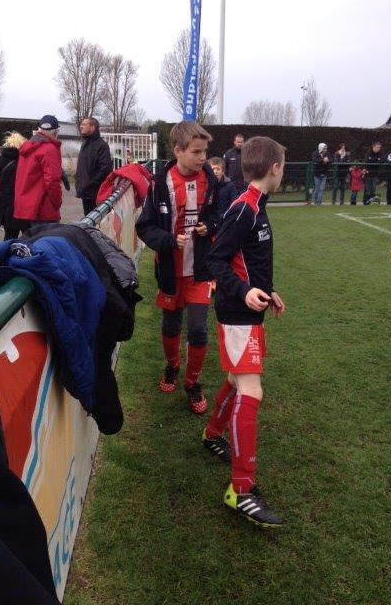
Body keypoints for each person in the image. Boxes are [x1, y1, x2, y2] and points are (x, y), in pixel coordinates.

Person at [204, 136, 286, 528]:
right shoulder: (244, 208)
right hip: (237, 313)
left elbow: (249, 259)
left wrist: (267, 291)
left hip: (247, 308)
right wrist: (244, 292)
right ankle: (240, 489)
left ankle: (212, 433)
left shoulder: (257, 205)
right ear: (275, 168)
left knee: (238, 380)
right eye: (283, 166)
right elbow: (216, 260)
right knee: (251, 390)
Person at [135, 121, 219, 414]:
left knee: (198, 329)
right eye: (196, 152)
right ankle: (172, 366)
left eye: (204, 151)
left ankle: (192, 383)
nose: (202, 158)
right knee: (171, 324)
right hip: (171, 271)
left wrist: (211, 225)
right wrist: (170, 240)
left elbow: (222, 213)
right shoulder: (160, 184)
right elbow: (144, 226)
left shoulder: (211, 180)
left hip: (201, 271)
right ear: (178, 151)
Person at [14, 115, 63, 227]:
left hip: (27, 207)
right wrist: (57, 202)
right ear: (56, 131)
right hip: (44, 208)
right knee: (48, 237)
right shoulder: (49, 149)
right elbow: (52, 182)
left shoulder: (27, 148)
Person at [0, 132, 30, 240]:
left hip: (4, 202)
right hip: (20, 202)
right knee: (29, 236)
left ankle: (6, 250)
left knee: (9, 236)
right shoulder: (23, 160)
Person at [75, 117, 113, 215]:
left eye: (84, 124)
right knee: (87, 219)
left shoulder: (102, 146)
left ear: (92, 128)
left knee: (96, 221)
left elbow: (105, 169)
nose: (81, 126)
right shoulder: (85, 144)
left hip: (95, 194)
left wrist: (91, 184)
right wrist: (78, 182)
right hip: (85, 193)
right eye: (81, 124)